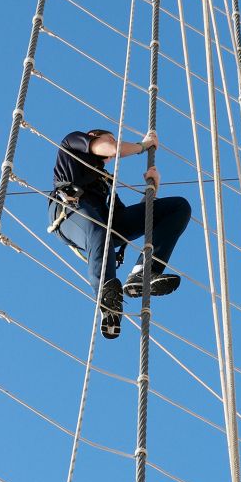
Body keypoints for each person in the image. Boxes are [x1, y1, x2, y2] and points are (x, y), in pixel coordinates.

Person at [49, 128, 192, 340]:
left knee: (178, 207)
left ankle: (144, 272)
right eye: (110, 138)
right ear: (93, 136)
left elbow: (133, 219)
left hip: (102, 223)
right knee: (97, 228)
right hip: (69, 213)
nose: (113, 146)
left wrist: (153, 188)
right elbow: (112, 149)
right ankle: (108, 299)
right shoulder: (73, 142)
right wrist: (142, 146)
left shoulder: (105, 181)